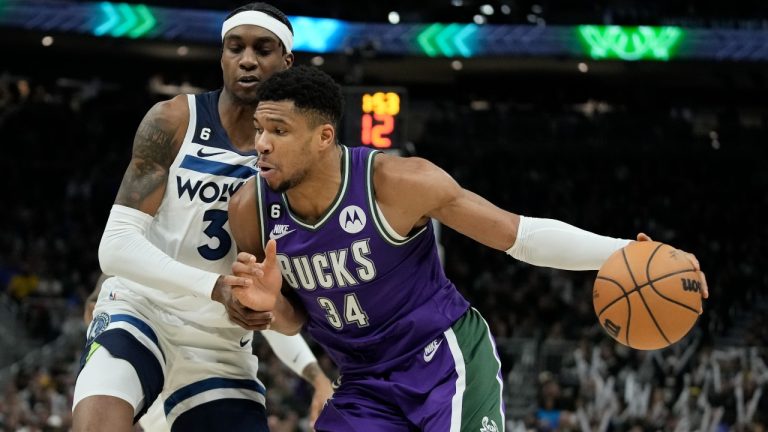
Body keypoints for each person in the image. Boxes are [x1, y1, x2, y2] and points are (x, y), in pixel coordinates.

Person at [226, 65, 710, 431]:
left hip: (443, 360)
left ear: (323, 137)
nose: (262, 143)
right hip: (362, 380)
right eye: (260, 129)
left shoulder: (396, 183)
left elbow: (519, 235)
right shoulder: (251, 209)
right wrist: (269, 308)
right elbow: (293, 319)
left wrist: (624, 250)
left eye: (279, 131)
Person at [72, 4, 332, 432]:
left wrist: (271, 312)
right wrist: (216, 288)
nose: (247, 60)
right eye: (236, 47)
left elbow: (284, 313)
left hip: (220, 341)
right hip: (142, 309)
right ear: (222, 56)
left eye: (263, 49)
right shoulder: (174, 119)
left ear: (286, 62)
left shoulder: (298, 163)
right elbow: (115, 247)